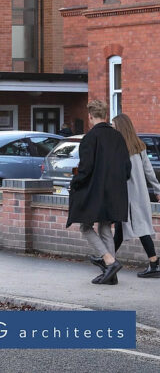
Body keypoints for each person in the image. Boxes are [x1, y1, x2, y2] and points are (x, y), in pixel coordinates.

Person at [66, 99, 130, 285]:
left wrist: (75, 183)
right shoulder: (118, 137)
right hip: (115, 191)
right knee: (104, 227)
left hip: (95, 192)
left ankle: (109, 261)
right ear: (106, 115)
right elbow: (127, 169)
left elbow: (85, 169)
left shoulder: (90, 138)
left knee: (85, 227)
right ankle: (112, 275)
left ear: (90, 116)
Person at [111, 113, 160, 278]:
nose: (112, 130)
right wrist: (157, 189)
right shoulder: (140, 146)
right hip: (138, 195)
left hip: (127, 196)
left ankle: (154, 263)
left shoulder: (120, 149)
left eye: (114, 127)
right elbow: (149, 171)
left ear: (121, 128)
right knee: (121, 228)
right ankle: (107, 260)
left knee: (140, 228)